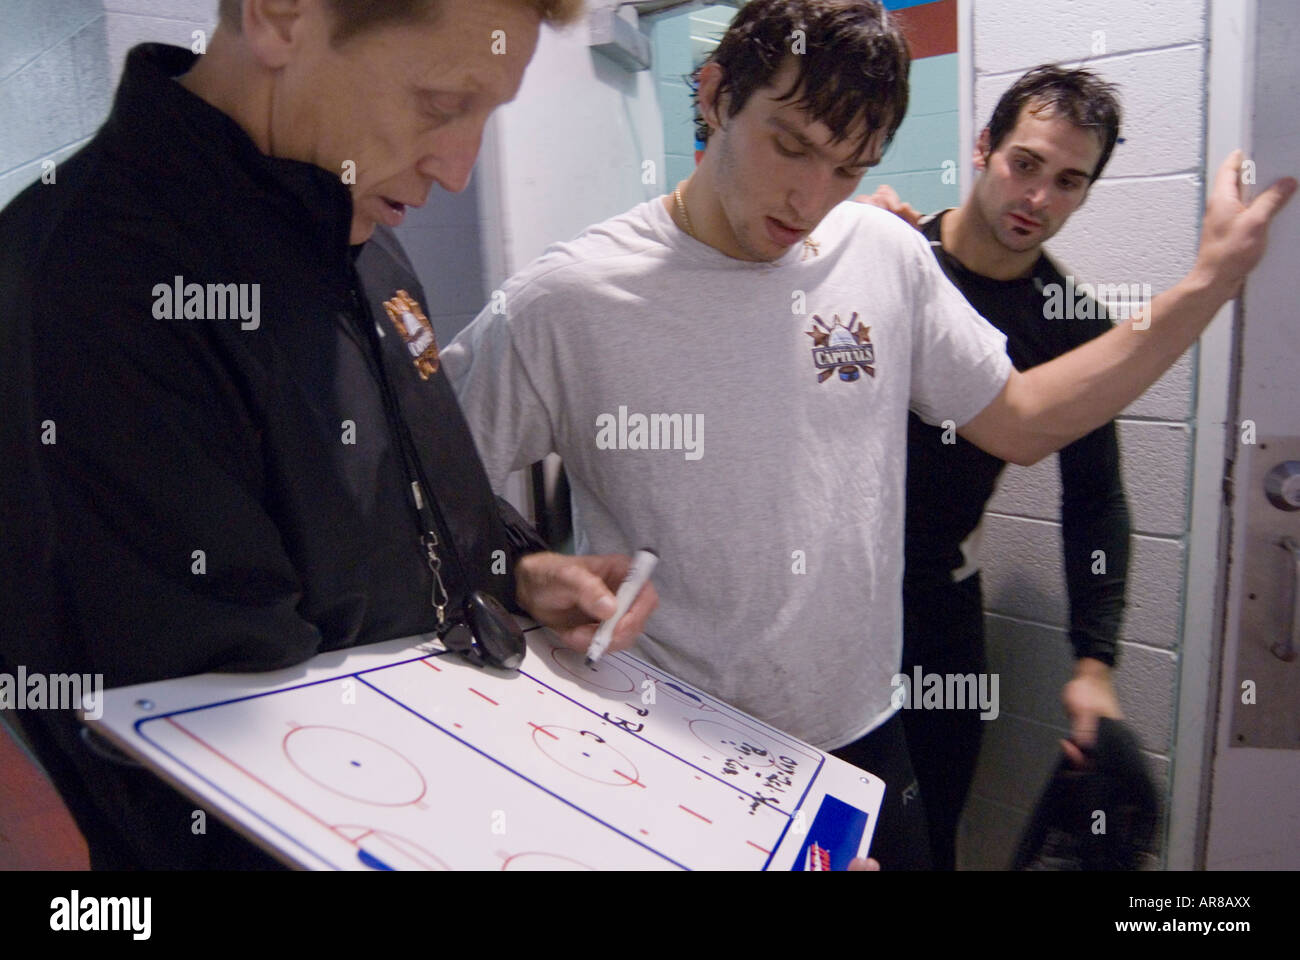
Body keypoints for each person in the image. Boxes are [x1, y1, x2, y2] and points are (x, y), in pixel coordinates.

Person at [443, 0, 1294, 869]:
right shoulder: (567, 301)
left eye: (849, 168)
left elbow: (1025, 421)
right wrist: (525, 572)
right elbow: (413, 493)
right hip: (670, 739)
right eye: (792, 145)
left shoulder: (884, 256)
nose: (810, 199)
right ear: (714, 94)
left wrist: (1207, 286)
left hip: (864, 736)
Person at [0, 0, 659, 870]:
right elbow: (216, 745)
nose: (458, 170)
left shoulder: (357, 235)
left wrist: (519, 570)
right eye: (439, 104)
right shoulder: (92, 281)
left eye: (487, 114)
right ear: (280, 15)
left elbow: (401, 500)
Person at [858, 64, 1131, 871]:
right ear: (983, 149)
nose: (1038, 197)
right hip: (827, 590)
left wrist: (1094, 661)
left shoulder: (1072, 325)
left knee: (928, 833)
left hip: (938, 607)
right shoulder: (885, 253)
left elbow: (1096, 499)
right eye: (1025, 163)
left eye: (1068, 180)